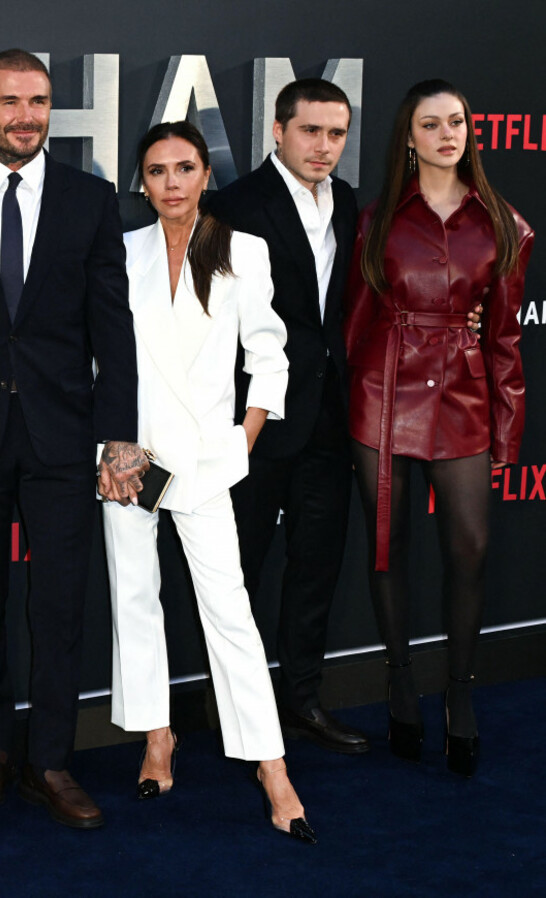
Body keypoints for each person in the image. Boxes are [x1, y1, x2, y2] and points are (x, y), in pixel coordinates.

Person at [0, 49, 146, 828]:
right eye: (10, 100)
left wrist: (118, 437)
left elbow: (112, 329)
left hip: (63, 438)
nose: (27, 114)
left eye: (40, 100)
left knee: (59, 606)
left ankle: (50, 760)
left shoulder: (91, 200)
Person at [100, 121, 316, 843]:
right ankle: (157, 736)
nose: (171, 183)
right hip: (131, 459)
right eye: (157, 171)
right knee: (135, 597)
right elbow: (102, 356)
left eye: (184, 168)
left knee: (228, 609)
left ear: (204, 174)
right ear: (142, 180)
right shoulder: (121, 251)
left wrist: (241, 440)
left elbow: (270, 354)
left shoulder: (239, 249)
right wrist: (112, 447)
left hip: (202, 459)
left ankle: (271, 763)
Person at [343, 79, 534, 776]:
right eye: (432, 124)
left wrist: (507, 435)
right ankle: (399, 683)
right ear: (410, 137)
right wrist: (351, 410)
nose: (448, 134)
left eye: (456, 122)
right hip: (382, 391)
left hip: (463, 394)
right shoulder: (379, 220)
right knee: (387, 548)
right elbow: (357, 321)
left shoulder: (506, 226)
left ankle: (459, 693)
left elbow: (506, 339)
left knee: (471, 551)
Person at [206, 79, 371, 754]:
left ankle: (301, 701)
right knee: (234, 572)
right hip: (255, 420)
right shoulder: (234, 204)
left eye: (336, 134)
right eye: (311, 131)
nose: (325, 147)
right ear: (278, 130)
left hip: (331, 418)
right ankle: (237, 713)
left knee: (316, 568)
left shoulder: (352, 203)